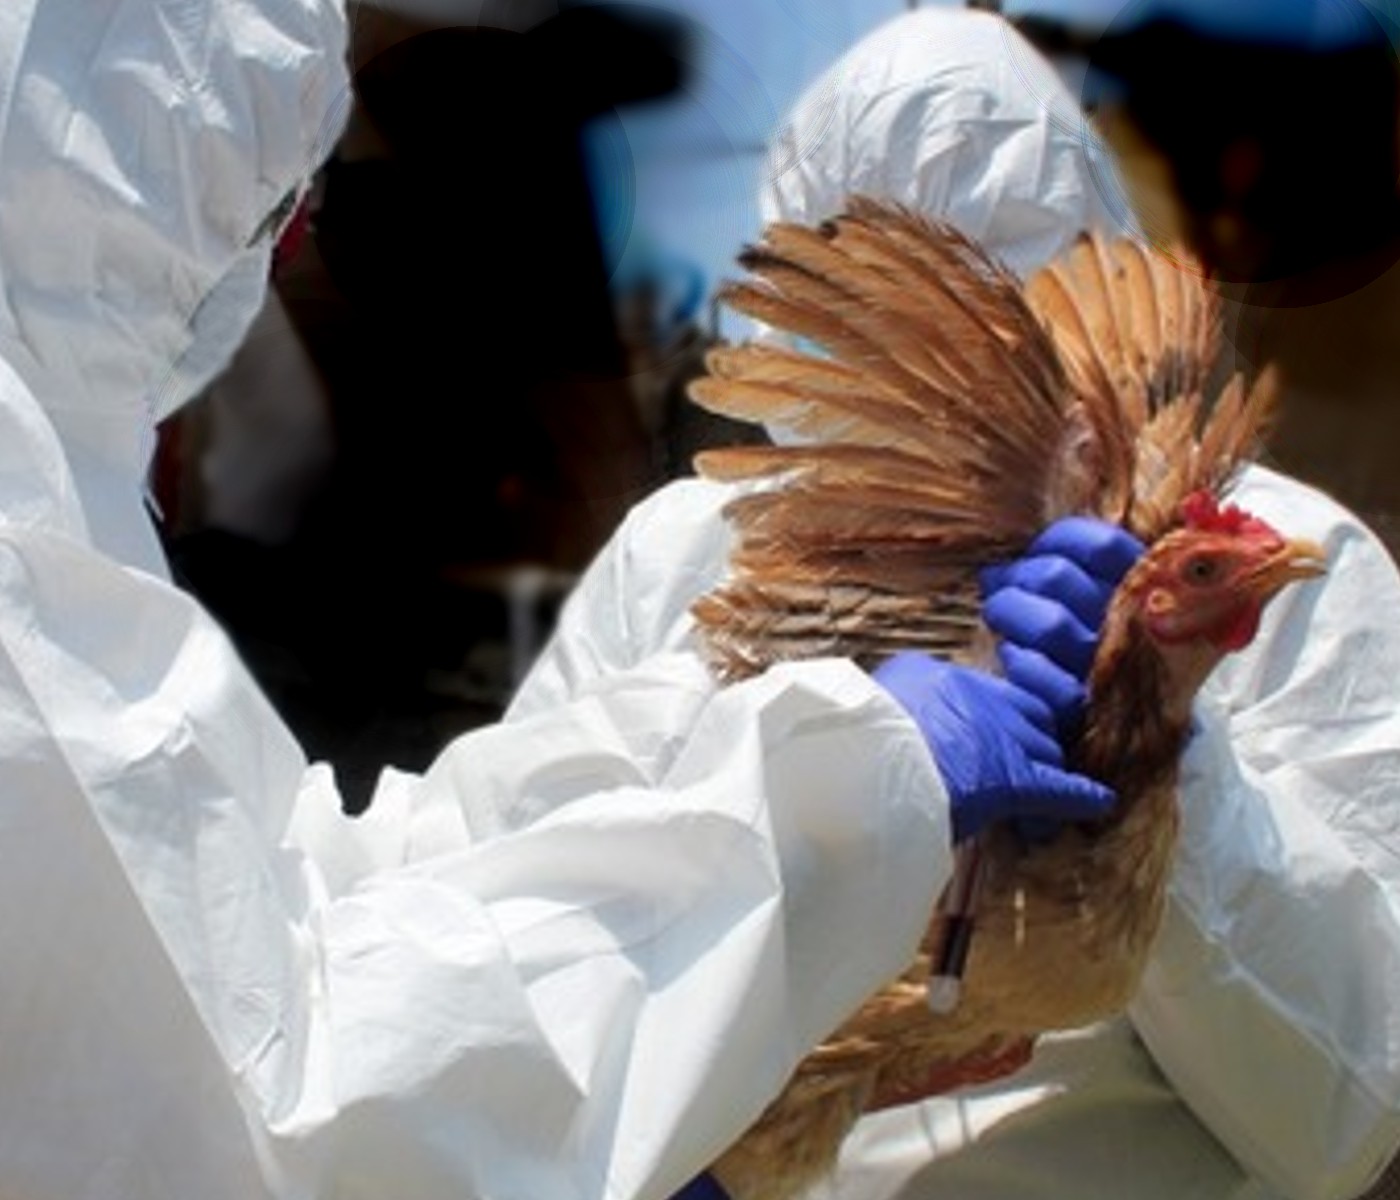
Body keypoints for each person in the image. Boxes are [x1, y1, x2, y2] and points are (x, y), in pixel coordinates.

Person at [0, 2, 1119, 1198]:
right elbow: (300, 1123)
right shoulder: (27, 543)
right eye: (262, 200)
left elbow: (304, 887)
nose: (272, 257)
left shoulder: (58, 484)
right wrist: (848, 786)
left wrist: (740, 706)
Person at [507, 4, 1400, 1198]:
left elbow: (1347, 1116)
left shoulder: (1275, 560)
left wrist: (1152, 738)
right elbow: (529, 930)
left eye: (1008, 282)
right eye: (900, 303)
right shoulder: (681, 555)